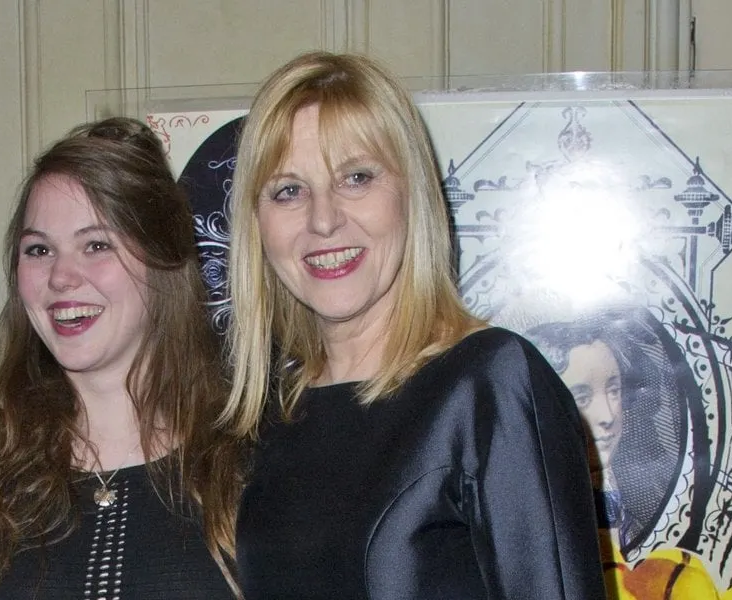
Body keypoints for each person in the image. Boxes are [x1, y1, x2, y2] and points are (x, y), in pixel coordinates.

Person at [222, 51, 605, 599]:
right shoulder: (270, 419)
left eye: (356, 178)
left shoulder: (488, 384)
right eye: (289, 190)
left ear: (411, 194)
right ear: (256, 222)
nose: (323, 219)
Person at [0, 118, 243, 599]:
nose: (61, 277)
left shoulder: (252, 460)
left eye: (96, 245)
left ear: (164, 261)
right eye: (39, 249)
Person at [526, 308, 686, 555]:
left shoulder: (641, 497)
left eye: (614, 391)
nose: (608, 416)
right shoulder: (531, 508)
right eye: (581, 398)